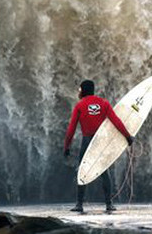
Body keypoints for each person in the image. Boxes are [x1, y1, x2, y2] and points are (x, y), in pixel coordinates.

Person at [64, 80, 134, 212]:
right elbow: (116, 121)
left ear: (83, 90)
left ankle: (79, 204)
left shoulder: (80, 106)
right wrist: (127, 136)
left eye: (79, 90)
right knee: (104, 172)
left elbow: (71, 130)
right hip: (101, 141)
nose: (78, 92)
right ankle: (109, 204)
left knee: (82, 170)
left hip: (87, 141)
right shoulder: (104, 103)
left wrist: (66, 147)